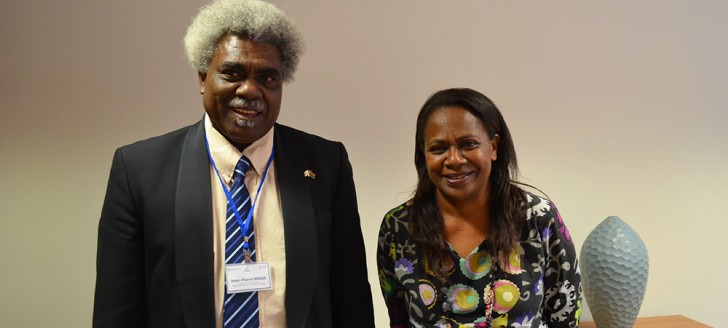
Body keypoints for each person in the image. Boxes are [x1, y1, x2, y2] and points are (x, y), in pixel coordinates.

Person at [93, 0, 374, 327]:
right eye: (232, 73)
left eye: (268, 78)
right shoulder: (139, 171)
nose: (250, 90)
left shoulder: (326, 165)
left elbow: (351, 299)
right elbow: (118, 311)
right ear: (202, 77)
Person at [377, 88, 581, 327]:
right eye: (438, 148)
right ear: (424, 154)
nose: (453, 159)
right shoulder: (399, 228)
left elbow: (565, 315)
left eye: (468, 144)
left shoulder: (537, 218)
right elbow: (399, 319)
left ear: (494, 147)